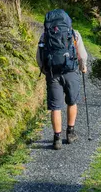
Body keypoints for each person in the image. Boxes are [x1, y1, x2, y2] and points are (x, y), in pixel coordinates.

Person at [36, 9, 88, 150]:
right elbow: (82, 56)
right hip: (70, 71)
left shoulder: (45, 35)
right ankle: (70, 133)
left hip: (53, 74)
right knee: (72, 102)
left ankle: (57, 139)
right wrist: (83, 67)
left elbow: (39, 58)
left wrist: (46, 71)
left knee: (56, 107)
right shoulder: (74, 33)